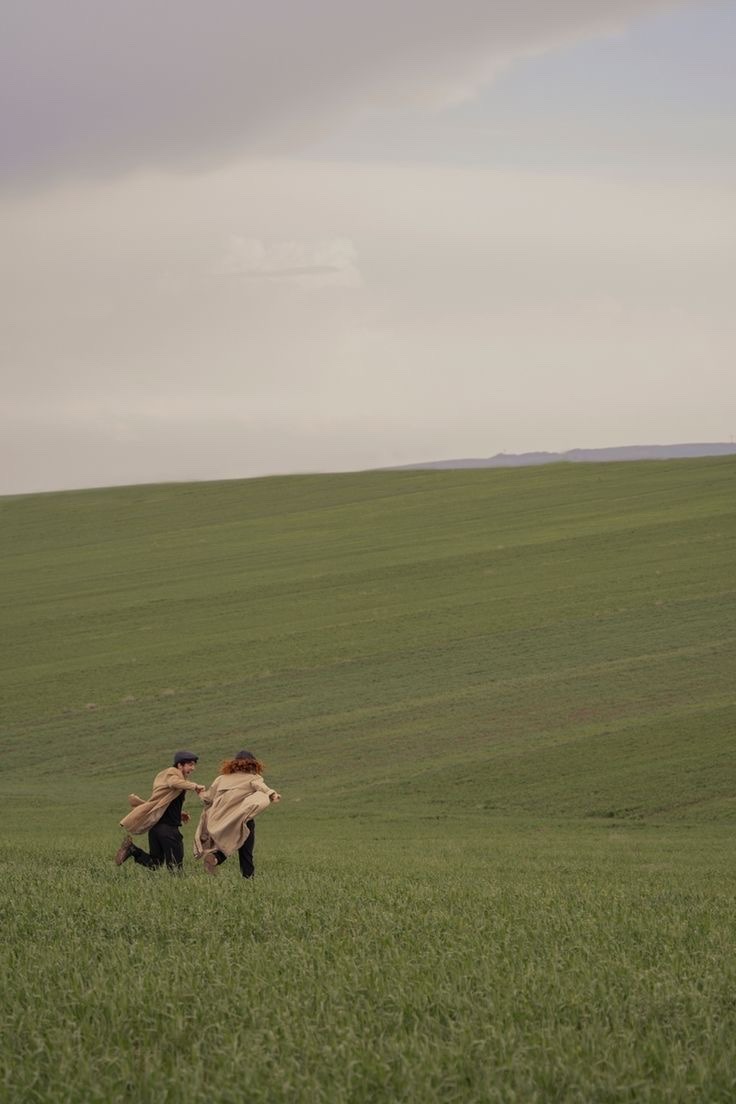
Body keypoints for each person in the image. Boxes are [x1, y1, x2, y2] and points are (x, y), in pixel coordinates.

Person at [194, 749, 281, 876]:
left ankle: (215, 857)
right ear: (253, 764)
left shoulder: (221, 779)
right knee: (246, 849)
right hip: (242, 819)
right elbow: (262, 788)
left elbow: (209, 798)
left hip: (221, 819)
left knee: (227, 842)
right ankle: (248, 878)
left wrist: (200, 793)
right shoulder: (254, 778)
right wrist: (272, 794)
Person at [114, 751, 204, 871]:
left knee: (155, 863)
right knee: (176, 868)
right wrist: (195, 786)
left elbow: (163, 803)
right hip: (168, 830)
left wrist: (179, 813)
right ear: (179, 765)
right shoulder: (173, 774)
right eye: (190, 764)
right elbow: (173, 782)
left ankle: (132, 850)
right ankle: (177, 888)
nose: (193, 768)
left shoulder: (168, 777)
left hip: (155, 828)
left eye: (194, 765)